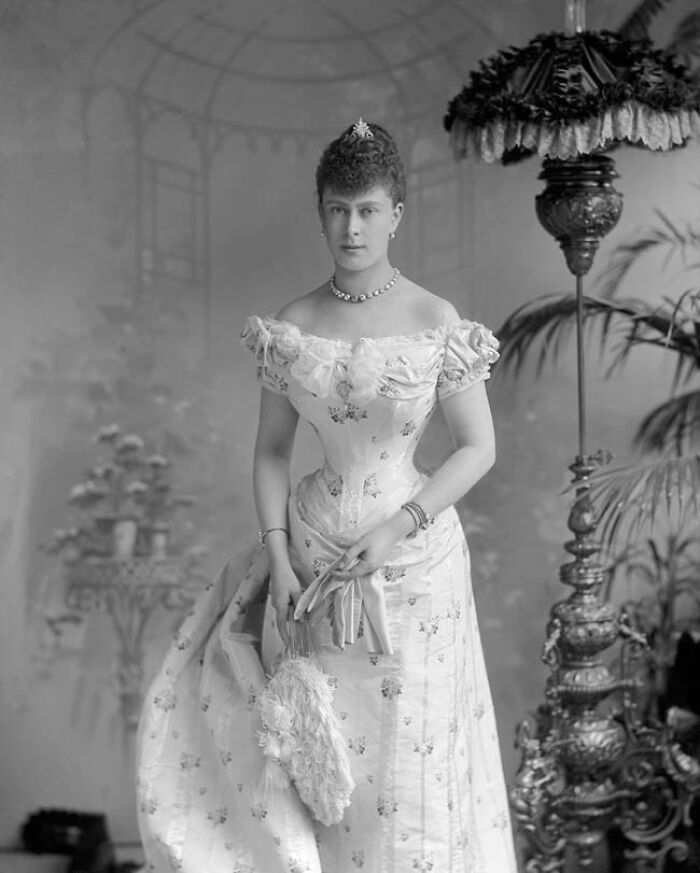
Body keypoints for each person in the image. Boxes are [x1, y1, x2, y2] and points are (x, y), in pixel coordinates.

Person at [137, 119, 518, 873]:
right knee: (329, 760)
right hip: (311, 566)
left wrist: (401, 523)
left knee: (412, 756)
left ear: (396, 214)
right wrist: (278, 559)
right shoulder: (292, 326)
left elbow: (479, 448)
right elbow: (272, 451)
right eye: (338, 209)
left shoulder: (435, 320)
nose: (352, 226)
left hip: (414, 566)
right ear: (320, 211)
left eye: (369, 209)